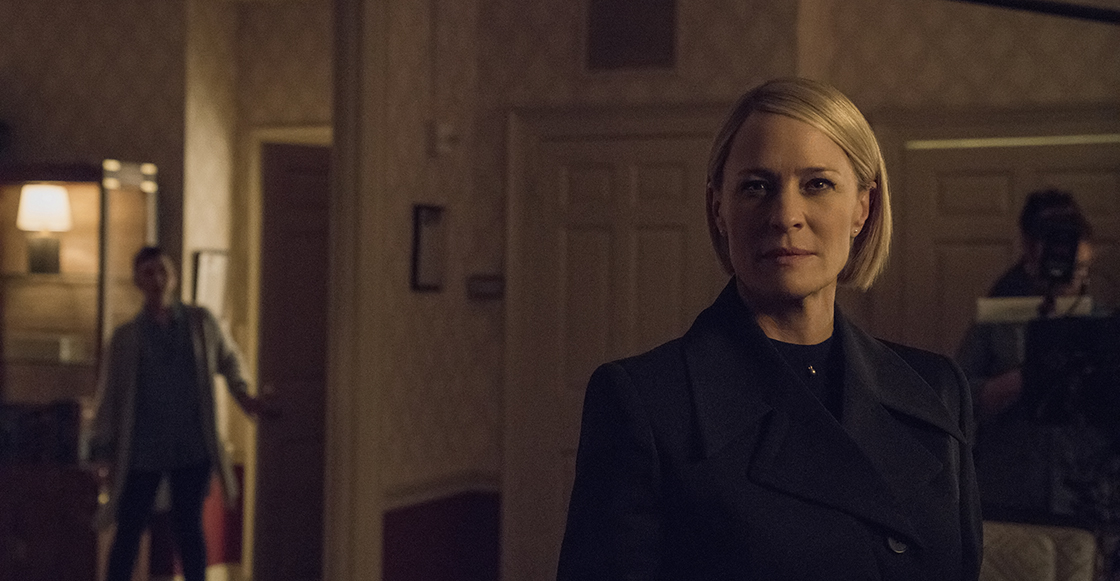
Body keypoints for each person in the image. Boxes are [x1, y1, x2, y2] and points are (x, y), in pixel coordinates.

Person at [557, 78, 982, 581]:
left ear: (862, 208)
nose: (785, 216)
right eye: (756, 186)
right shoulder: (646, 403)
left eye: (817, 184)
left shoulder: (936, 388)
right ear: (719, 208)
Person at [89, 246, 267, 581]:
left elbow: (229, 359)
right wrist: (102, 451)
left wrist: (243, 394)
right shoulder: (126, 338)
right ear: (137, 281)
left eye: (162, 271)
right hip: (143, 451)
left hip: (191, 448)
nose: (157, 280)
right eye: (148, 273)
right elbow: (109, 397)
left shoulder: (200, 323)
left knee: (189, 530)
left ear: (173, 276)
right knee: (129, 530)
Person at [956, 191, 1114, 525]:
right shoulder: (998, 319)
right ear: (1032, 256)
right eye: (1065, 265)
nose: (1072, 278)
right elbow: (959, 400)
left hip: (1086, 492)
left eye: (1082, 268)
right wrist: (1027, 377)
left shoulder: (1102, 325)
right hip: (1011, 487)